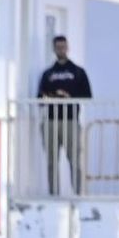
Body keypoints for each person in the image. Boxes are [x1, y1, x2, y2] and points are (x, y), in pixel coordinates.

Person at [37, 35, 92, 196]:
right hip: (51, 121)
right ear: (54, 49)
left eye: (63, 46)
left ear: (67, 48)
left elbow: (87, 96)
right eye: (58, 47)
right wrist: (54, 96)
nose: (61, 49)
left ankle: (78, 193)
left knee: (74, 159)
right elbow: (40, 97)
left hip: (71, 121)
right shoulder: (48, 74)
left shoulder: (78, 72)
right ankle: (53, 193)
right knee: (51, 161)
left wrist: (69, 97)